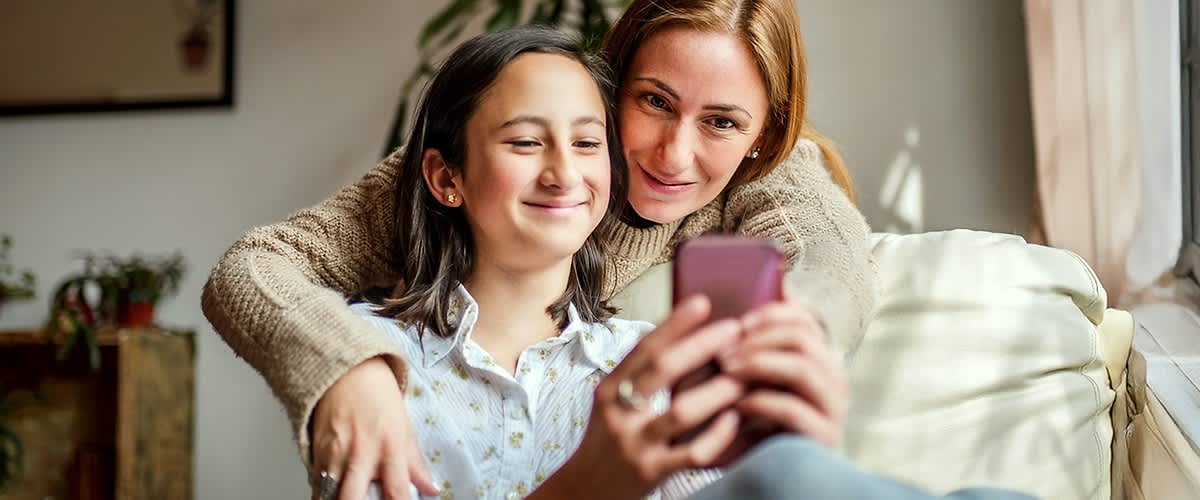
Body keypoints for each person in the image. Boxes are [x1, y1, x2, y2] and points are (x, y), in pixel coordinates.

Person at [204, 0, 879, 498]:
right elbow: (254, 268)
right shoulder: (500, 150)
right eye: (653, 102)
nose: (676, 154)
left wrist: (780, 351)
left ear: (763, 135)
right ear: (612, 89)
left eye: (723, 123)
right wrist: (349, 366)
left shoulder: (760, 169)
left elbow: (832, 258)